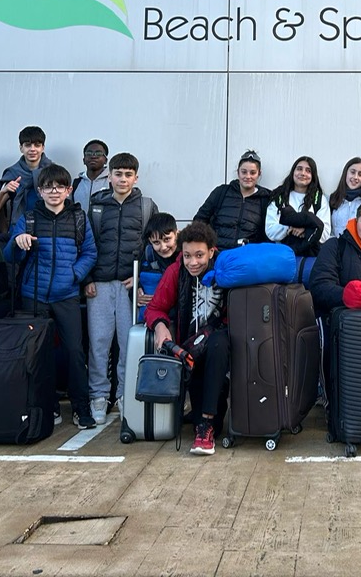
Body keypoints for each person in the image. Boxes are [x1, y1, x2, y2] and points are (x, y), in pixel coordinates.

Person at [4, 163, 98, 429]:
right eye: (48, 187)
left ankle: (81, 407)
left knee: (75, 351)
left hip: (67, 295)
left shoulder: (79, 219)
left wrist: (74, 275)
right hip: (33, 295)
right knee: (38, 354)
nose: (54, 191)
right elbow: (9, 255)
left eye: (60, 187)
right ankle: (47, 405)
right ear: (40, 191)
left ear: (69, 190)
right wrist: (18, 242)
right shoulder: (29, 218)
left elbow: (90, 253)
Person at [145, 221, 229, 456]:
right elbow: (155, 308)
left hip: (220, 347)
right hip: (190, 349)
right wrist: (160, 326)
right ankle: (205, 418)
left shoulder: (226, 269)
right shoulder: (176, 272)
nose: (193, 262)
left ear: (211, 251)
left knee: (218, 342)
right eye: (188, 256)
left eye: (199, 255)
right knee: (210, 423)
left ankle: (206, 424)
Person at [85, 152, 157, 424]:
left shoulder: (146, 207)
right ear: (109, 176)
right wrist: (87, 279)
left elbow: (153, 248)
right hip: (100, 284)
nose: (123, 179)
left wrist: (140, 280)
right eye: (118, 174)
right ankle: (99, 395)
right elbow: (86, 244)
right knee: (98, 343)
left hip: (130, 286)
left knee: (129, 344)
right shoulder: (96, 206)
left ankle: (126, 393)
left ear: (136, 178)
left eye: (128, 174)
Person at [194, 149, 271, 249]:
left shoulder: (265, 199)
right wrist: (208, 246)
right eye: (244, 172)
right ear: (238, 172)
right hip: (219, 253)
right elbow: (199, 220)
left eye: (253, 173)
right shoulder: (221, 192)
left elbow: (269, 234)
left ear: (259, 174)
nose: (248, 176)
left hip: (248, 255)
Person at [0, 125, 53, 236]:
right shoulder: (12, 174)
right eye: (28, 145)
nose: (32, 149)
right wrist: (3, 192)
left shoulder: (53, 172)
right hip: (19, 231)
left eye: (37, 145)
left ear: (43, 148)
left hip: (47, 230)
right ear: (21, 148)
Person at [265, 156, 330, 259]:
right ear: (293, 172)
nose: (303, 173)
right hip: (282, 255)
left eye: (308, 171)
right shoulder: (279, 197)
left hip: (310, 257)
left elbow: (325, 233)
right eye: (299, 169)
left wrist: (305, 230)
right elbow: (270, 230)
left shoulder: (319, 199)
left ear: (313, 176)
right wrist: (290, 228)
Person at [328, 157, 361, 237]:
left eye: (360, 174)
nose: (355, 177)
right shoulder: (333, 199)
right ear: (346, 174)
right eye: (352, 172)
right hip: (335, 243)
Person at [72, 139, 109, 210]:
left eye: (98, 153)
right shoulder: (76, 183)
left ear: (105, 160)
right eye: (89, 153)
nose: (93, 156)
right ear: (83, 160)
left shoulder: (112, 182)